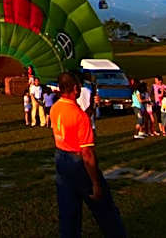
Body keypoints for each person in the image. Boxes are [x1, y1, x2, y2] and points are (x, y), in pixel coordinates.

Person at [50, 72, 126, 238]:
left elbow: (74, 122)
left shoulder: (56, 108)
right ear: (76, 88)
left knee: (69, 211)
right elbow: (87, 153)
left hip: (61, 159)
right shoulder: (80, 116)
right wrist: (95, 183)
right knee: (104, 209)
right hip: (78, 162)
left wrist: (91, 107)